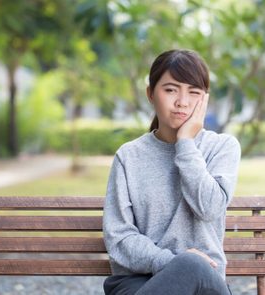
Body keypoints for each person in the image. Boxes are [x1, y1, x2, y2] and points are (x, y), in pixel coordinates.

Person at [102, 49, 241, 295]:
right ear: (150, 94)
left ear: (204, 100)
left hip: (205, 285)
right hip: (138, 283)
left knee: (194, 266)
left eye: (194, 92)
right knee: (188, 264)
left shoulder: (222, 147)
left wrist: (185, 143)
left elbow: (209, 208)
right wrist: (170, 262)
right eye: (171, 90)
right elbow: (119, 237)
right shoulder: (129, 156)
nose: (182, 102)